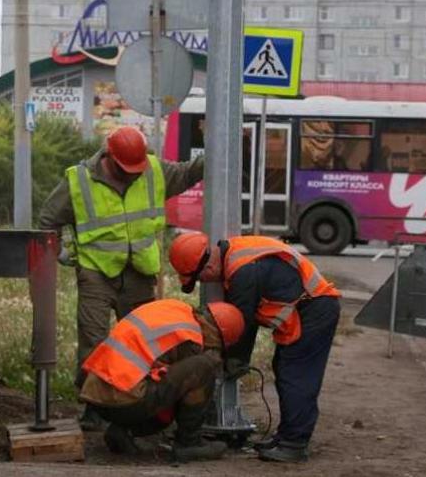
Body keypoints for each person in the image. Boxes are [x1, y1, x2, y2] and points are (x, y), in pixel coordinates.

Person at [38, 126, 204, 430]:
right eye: (127, 170)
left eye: (136, 169)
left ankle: (140, 403)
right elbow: (49, 219)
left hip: (139, 271)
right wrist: (60, 249)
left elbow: (188, 173)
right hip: (96, 272)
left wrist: (219, 146)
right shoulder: (78, 180)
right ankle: (94, 406)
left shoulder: (153, 170)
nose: (133, 175)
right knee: (94, 340)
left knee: (145, 342)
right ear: (109, 157)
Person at [168, 233, 342, 463]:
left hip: (314, 310)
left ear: (208, 264)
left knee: (296, 375)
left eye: (200, 277)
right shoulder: (236, 254)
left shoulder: (243, 272)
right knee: (284, 369)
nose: (204, 283)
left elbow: (242, 325)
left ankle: (294, 444)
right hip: (310, 308)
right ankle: (287, 436)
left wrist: (234, 361)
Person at [80, 299, 245, 462]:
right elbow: (188, 385)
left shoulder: (176, 308)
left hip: (97, 395)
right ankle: (189, 442)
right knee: (204, 368)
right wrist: (216, 363)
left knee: (170, 397)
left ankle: (123, 430)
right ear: (216, 334)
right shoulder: (190, 338)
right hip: (125, 397)